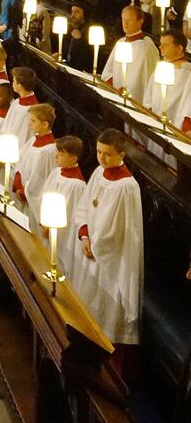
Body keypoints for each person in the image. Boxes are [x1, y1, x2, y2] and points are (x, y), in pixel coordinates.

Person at [74, 129, 143, 347]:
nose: (102, 158)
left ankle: (104, 344)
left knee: (104, 308)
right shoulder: (98, 173)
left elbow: (116, 230)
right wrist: (85, 235)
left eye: (107, 154)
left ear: (122, 154)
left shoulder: (126, 187)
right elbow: (85, 204)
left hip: (111, 256)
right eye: (99, 152)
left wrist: (95, 243)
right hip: (92, 246)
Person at [40, 136, 86, 286]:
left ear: (73, 158)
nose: (55, 156)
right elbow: (46, 195)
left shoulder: (77, 185)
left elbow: (72, 216)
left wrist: (52, 228)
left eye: (60, 154)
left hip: (62, 236)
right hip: (48, 226)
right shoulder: (56, 172)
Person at [100, 5, 159, 102]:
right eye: (123, 20)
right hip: (115, 95)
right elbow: (108, 71)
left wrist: (127, 91)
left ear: (140, 22)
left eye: (129, 20)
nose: (125, 24)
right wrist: (113, 89)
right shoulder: (121, 42)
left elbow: (141, 78)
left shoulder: (145, 47)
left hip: (134, 98)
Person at [12, 103, 57, 228]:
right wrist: (17, 181)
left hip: (32, 200)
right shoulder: (33, 141)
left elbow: (41, 179)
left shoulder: (49, 150)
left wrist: (23, 192)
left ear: (45, 124)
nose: (29, 124)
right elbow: (20, 163)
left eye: (33, 121)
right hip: (23, 191)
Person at [144, 29, 190, 126]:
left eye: (166, 45)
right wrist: (150, 111)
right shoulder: (162, 67)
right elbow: (149, 94)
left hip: (173, 125)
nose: (160, 47)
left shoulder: (187, 74)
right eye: (161, 44)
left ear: (179, 48)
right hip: (153, 120)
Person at [1, 66, 40, 150]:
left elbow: (24, 135)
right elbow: (7, 127)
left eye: (14, 81)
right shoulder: (16, 102)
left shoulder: (32, 109)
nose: (12, 83)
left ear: (20, 85)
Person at [64, 4, 94, 73]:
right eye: (72, 11)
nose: (72, 15)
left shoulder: (90, 31)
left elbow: (86, 59)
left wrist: (79, 39)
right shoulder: (70, 28)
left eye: (77, 12)